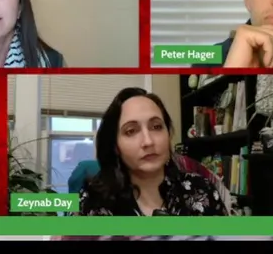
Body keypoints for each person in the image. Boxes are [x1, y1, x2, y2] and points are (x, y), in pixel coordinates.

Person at [78, 88, 229, 216]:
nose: (148, 141)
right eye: (131, 131)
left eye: (156, 127)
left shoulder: (202, 188)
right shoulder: (92, 200)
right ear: (115, 146)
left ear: (168, 134)